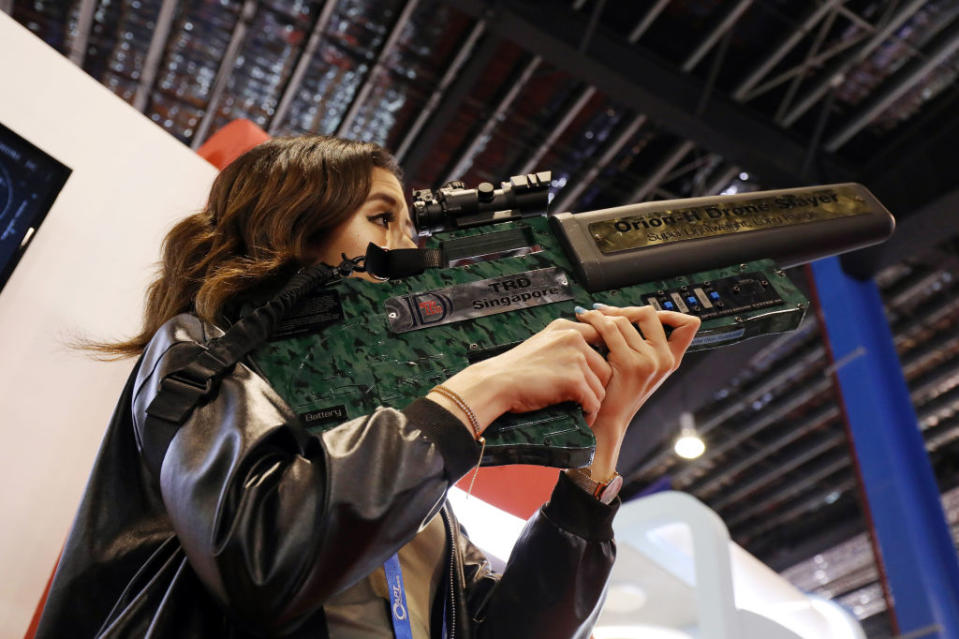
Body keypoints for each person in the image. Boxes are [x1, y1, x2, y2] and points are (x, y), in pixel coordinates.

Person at [35, 136, 700, 638]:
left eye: (408, 227)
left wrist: (600, 446)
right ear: (290, 227)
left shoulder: (398, 465)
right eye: (382, 219)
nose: (410, 255)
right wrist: (478, 392)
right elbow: (266, 554)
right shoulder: (198, 354)